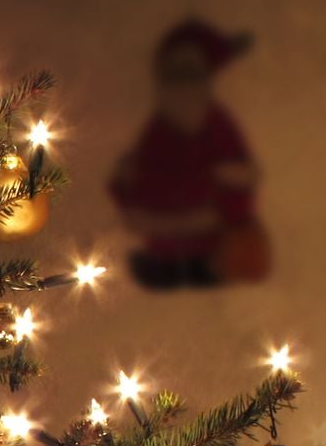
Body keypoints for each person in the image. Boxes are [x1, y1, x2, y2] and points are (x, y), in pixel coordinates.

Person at [109, 19, 267, 289]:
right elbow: (140, 173)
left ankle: (199, 267)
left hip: (210, 242)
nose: (183, 86)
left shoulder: (217, 125)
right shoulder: (158, 131)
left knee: (207, 267)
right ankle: (165, 267)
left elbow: (239, 177)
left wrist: (230, 201)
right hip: (162, 238)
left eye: (190, 75)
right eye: (176, 76)